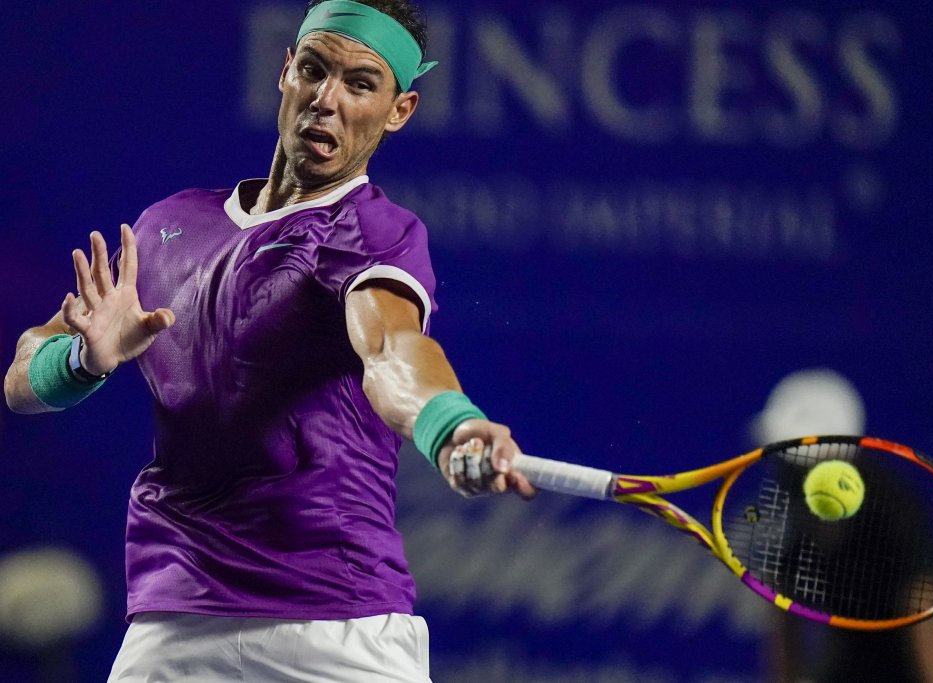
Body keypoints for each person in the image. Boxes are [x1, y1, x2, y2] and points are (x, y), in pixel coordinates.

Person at [3, 1, 535, 680]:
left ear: (399, 110)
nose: (327, 99)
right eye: (314, 70)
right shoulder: (168, 226)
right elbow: (20, 383)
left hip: (337, 628)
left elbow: (390, 350)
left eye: (361, 84)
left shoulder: (372, 232)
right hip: (174, 623)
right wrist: (80, 359)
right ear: (286, 72)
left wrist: (448, 424)